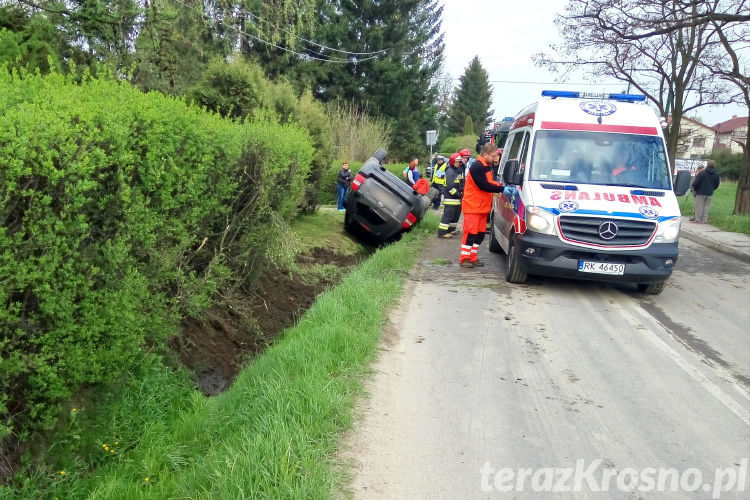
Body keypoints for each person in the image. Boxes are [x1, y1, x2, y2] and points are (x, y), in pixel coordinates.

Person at [460, 143, 504, 268]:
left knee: (479, 234)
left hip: (481, 207)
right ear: (485, 155)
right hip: (473, 206)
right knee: (470, 233)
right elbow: (484, 185)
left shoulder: (485, 166)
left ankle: (472, 257)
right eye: (494, 156)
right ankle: (465, 259)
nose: (496, 158)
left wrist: (500, 186)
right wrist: (502, 189)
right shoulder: (477, 167)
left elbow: (489, 182)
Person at [437, 153, 464, 238]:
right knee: (448, 215)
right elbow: (449, 186)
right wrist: (457, 194)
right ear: (452, 162)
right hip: (450, 198)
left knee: (455, 215)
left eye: (459, 162)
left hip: (457, 198)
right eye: (456, 162)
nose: (458, 163)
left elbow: (460, 181)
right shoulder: (450, 171)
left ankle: (451, 229)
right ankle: (442, 232)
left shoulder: (458, 170)